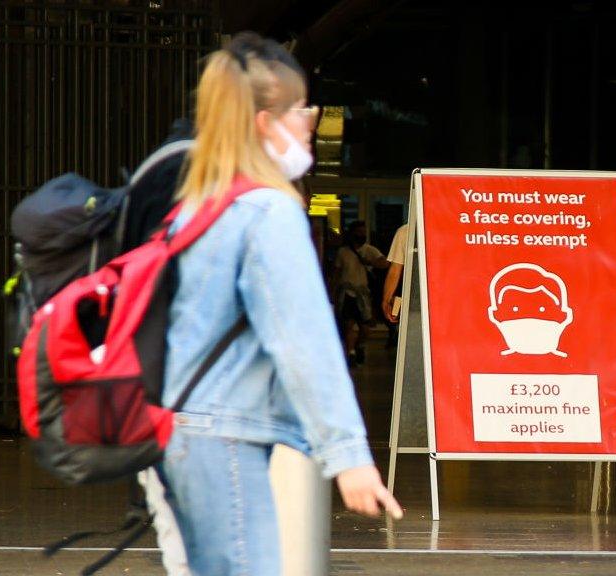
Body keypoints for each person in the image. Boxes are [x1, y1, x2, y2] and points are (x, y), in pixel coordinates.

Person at [158, 32, 401, 575]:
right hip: (227, 434)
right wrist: (349, 455)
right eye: (302, 111)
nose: (309, 124)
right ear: (265, 123)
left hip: (179, 431)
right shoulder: (269, 211)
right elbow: (303, 340)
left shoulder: (197, 202)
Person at [333, 220, 389, 365]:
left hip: (363, 294)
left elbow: (384, 263)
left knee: (365, 327)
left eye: (364, 233)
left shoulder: (369, 250)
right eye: (359, 233)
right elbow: (337, 273)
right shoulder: (343, 252)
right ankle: (350, 352)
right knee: (348, 324)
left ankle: (359, 346)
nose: (361, 235)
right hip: (346, 293)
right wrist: (333, 291)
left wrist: (370, 262)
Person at [382, 222, 408, 325]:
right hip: (411, 296)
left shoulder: (406, 231)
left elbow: (396, 268)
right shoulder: (406, 231)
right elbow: (395, 269)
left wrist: (386, 300)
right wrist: (386, 300)